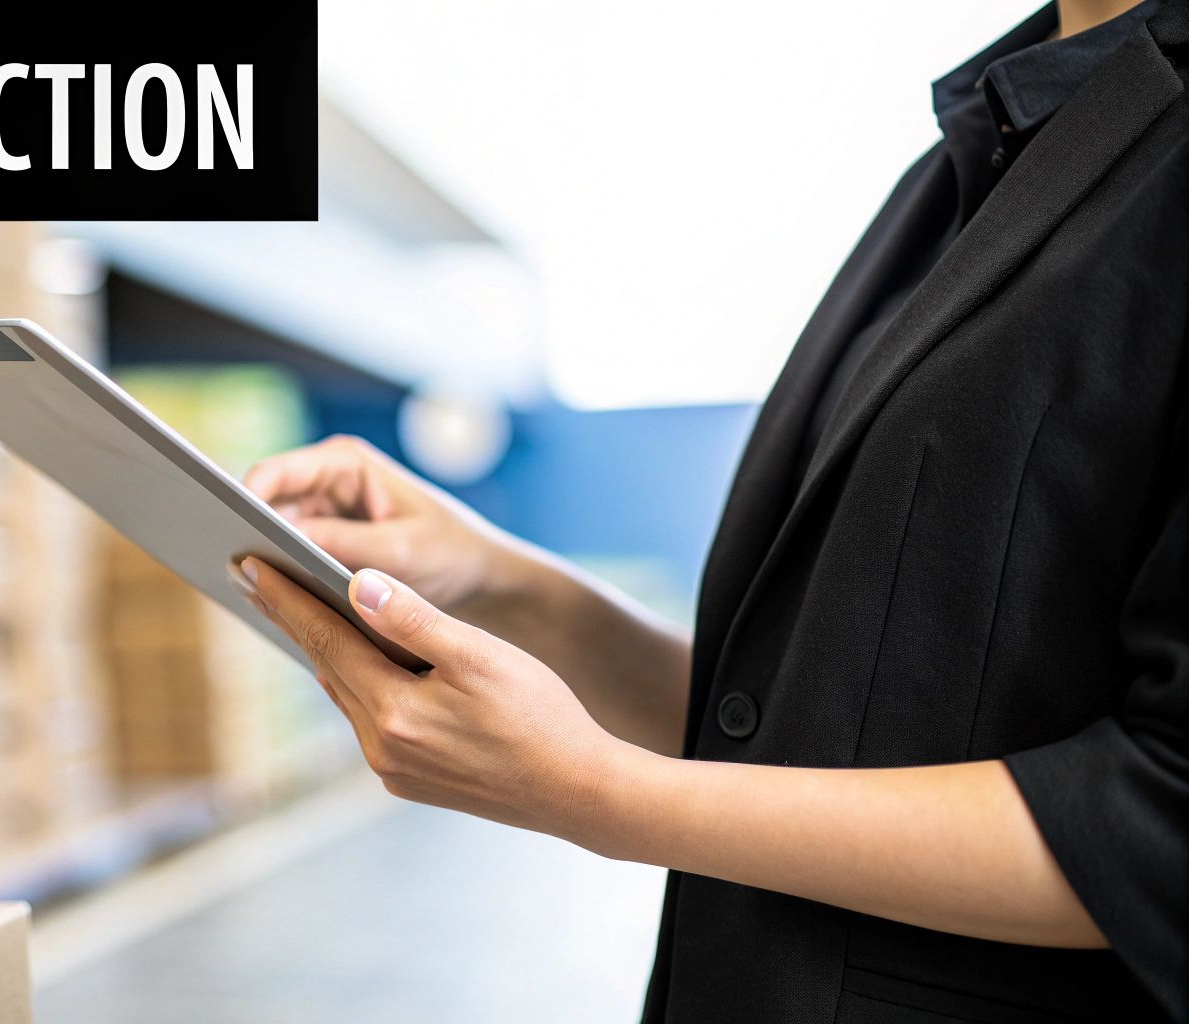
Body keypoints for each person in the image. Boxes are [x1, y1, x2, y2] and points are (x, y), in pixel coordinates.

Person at [231, 0, 1189, 1019]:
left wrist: (596, 793)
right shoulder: (981, 145)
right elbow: (807, 724)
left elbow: (1157, 820)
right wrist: (497, 578)